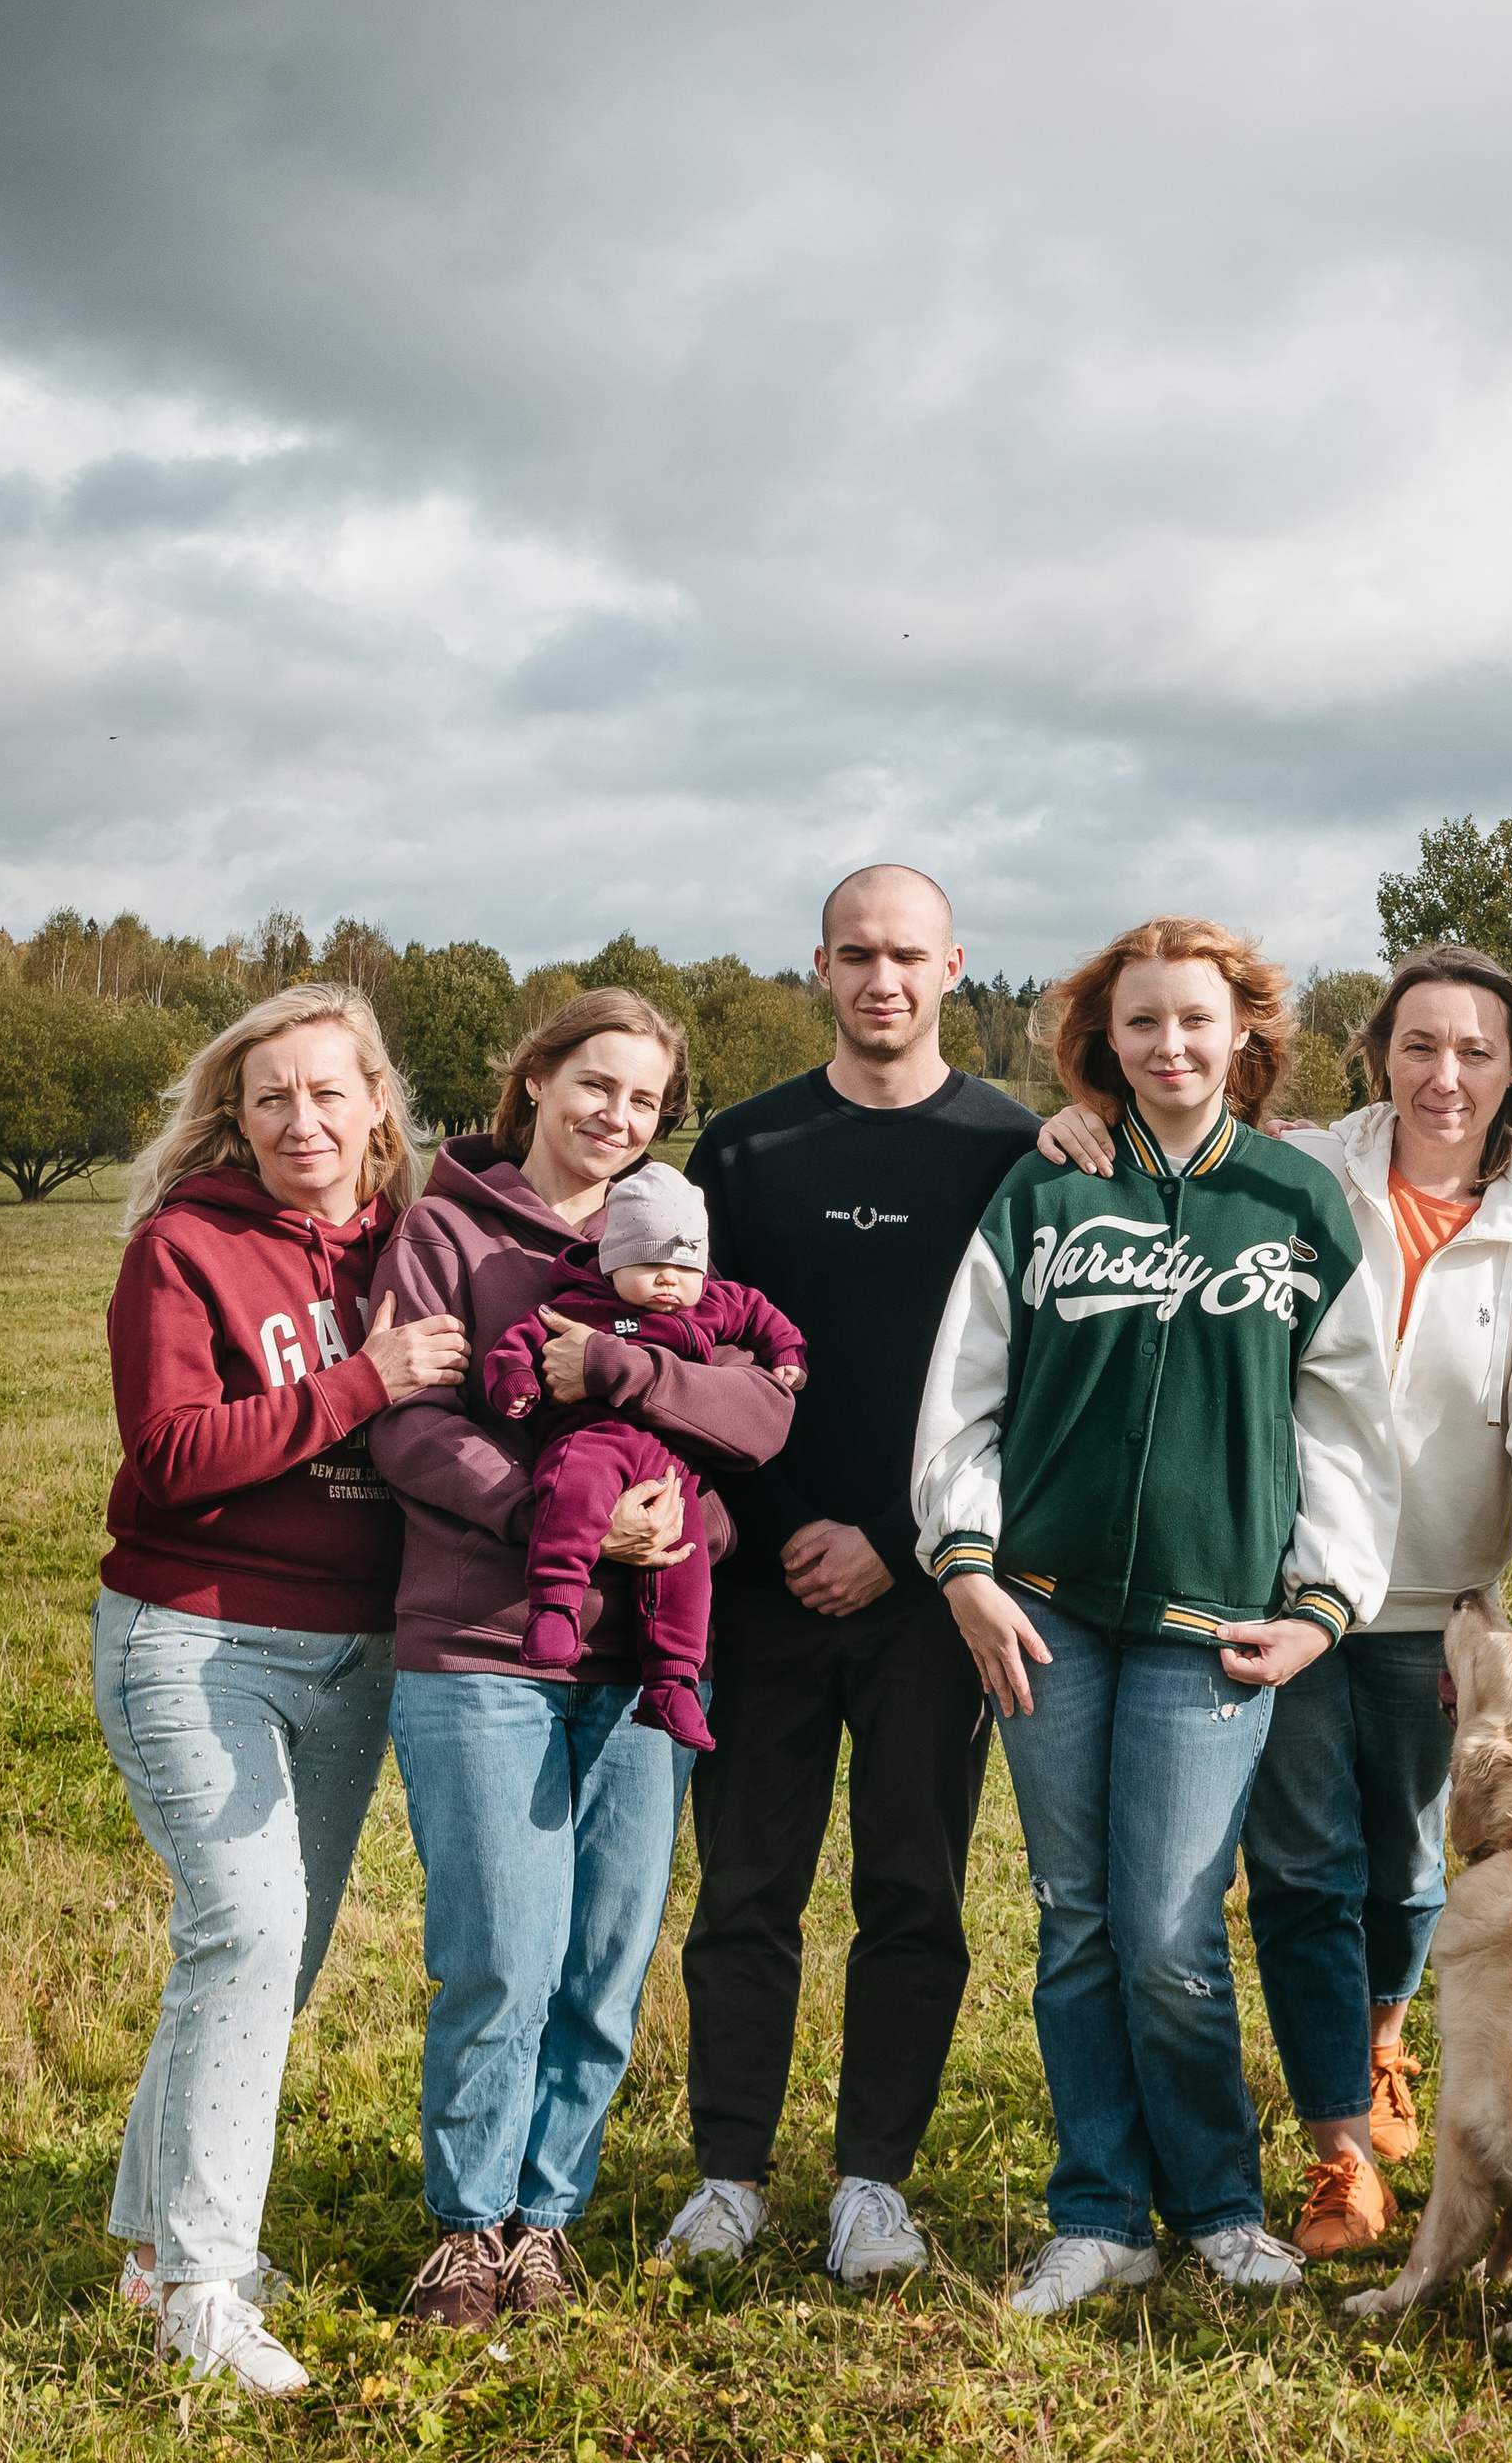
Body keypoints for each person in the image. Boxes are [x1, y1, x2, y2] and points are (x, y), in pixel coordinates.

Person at [1035, 943, 1512, 2256]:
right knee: (1302, 1865)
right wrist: (1084, 1120)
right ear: (1378, 1055)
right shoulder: (1305, 1170)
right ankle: (1338, 2149)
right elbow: (1167, 1145)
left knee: (1409, 1865)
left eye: (1475, 1050)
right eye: (1419, 1046)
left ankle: (1384, 2032)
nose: (1444, 1075)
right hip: (1284, 1577)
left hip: (1438, 1596)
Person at [914, 915, 1399, 2315]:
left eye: (1197, 1019)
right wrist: (965, 1564)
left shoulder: (1296, 1204)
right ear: (1103, 1039)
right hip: (1046, 1617)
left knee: (1175, 1931)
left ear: (1243, 1031)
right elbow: (966, 1393)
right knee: (1075, 1918)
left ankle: (1219, 2206)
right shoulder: (1044, 1194)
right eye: (1142, 1022)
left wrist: (1321, 1605)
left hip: (1215, 1625)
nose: (1170, 1045)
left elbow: (1352, 1427)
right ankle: (1097, 2212)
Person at [372, 989, 795, 2330]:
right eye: (593, 1084)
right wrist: (546, 1510)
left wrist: (690, 1508)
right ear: (535, 1079)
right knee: (503, 1947)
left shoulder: (676, 1248)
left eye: (645, 1100)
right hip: (480, 1650)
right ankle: (467, 2229)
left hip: (646, 1665)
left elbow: (749, 1417)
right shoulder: (444, 1235)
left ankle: (546, 2219)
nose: (617, 1115)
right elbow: (414, 1429)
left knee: (608, 1957)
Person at [662, 865, 1040, 2287]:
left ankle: (874, 2182)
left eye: (909, 956)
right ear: (818, 966)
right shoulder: (747, 1151)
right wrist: (784, 1528)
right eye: (856, 956)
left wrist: (896, 1537)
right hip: (759, 1584)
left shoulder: (1014, 1152)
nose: (883, 980)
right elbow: (700, 1364)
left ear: (956, 967)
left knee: (912, 1888)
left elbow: (1025, 1387)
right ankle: (727, 2176)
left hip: (934, 1591)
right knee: (746, 1885)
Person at [95, 984, 470, 2396]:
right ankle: (204, 2281)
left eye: (328, 1092)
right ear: (235, 1120)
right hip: (197, 1637)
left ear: (378, 1102)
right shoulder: (183, 1247)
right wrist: (363, 1382)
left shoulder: (415, 1245)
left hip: (360, 1648)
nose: (301, 1122)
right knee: (245, 1937)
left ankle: (149, 2247)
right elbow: (172, 1457)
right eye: (270, 1100)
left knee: (267, 1960)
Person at [482, 1160, 807, 1745]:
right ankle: (555, 1607)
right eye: (650, 1264)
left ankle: (673, 1683)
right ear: (611, 1262)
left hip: (674, 1462)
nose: (668, 1281)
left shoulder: (710, 1303)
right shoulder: (582, 1303)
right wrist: (517, 1383)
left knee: (687, 1565)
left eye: (683, 1266)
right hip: (592, 1439)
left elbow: (763, 1315)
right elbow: (518, 1343)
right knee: (571, 1493)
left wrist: (787, 1351)